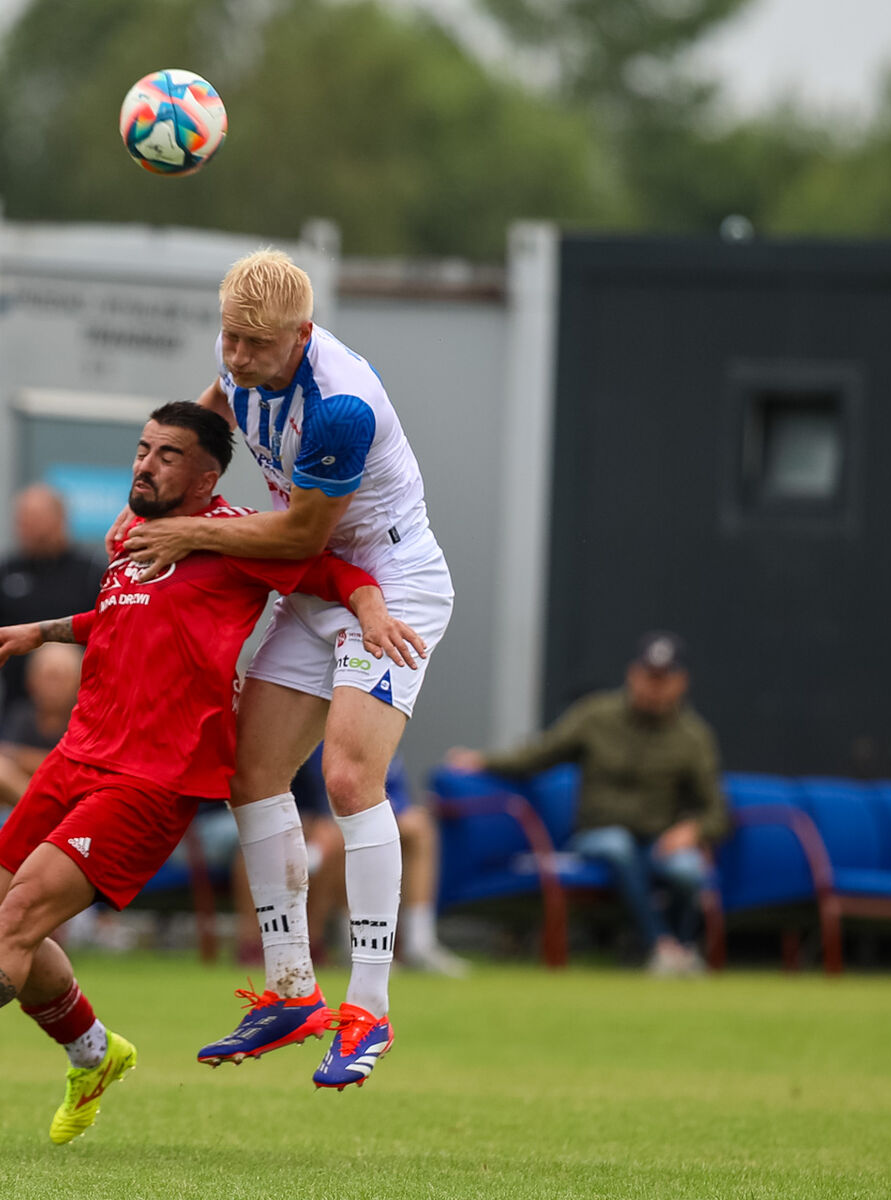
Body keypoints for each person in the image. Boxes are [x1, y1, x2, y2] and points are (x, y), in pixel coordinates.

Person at [0, 401, 425, 1138]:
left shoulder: (235, 539)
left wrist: (372, 611)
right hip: (77, 753)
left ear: (206, 478)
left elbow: (335, 569)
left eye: (167, 454)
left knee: (20, 917)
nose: (145, 463)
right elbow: (128, 616)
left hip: (152, 778)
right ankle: (94, 1054)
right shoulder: (133, 537)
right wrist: (40, 632)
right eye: (142, 448)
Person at [117, 249, 454, 1087]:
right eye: (227, 339)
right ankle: (290, 989)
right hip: (317, 586)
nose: (236, 359)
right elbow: (201, 440)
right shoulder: (238, 359)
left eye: (256, 347)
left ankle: (368, 1009)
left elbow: (302, 536)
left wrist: (188, 535)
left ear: (300, 336)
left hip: (391, 580)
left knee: (346, 779)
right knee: (252, 771)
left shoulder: (338, 407)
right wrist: (152, 502)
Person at [445, 632, 730, 974]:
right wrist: (484, 761)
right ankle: (660, 944)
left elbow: (717, 811)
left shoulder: (693, 736)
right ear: (632, 674)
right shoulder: (597, 715)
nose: (653, 687)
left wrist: (692, 831)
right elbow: (539, 755)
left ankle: (682, 947)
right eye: (647, 676)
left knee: (687, 870)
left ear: (680, 682)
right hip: (597, 835)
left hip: (658, 839)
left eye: (663, 679)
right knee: (619, 846)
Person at [285, 747, 469, 977]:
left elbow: (397, 792)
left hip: (372, 812)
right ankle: (354, 944)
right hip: (321, 820)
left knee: (419, 827)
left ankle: (419, 943)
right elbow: (321, 795)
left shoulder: (382, 724)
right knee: (344, 831)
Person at [0, 484, 103, 733]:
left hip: (78, 711)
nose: (23, 527)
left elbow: (105, 630)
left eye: (32, 519)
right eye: (20, 519)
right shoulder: (4, 572)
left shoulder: (90, 573)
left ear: (59, 519)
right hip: (13, 707)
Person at [0, 643, 80, 846]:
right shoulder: (21, 716)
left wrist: (19, 758)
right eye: (49, 676)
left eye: (61, 677)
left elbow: (78, 773)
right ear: (32, 680)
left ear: (78, 682)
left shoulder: (84, 722)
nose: (54, 685)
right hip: (19, 815)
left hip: (74, 817)